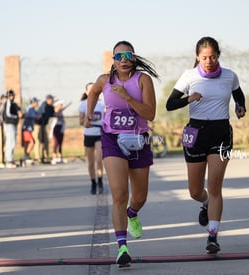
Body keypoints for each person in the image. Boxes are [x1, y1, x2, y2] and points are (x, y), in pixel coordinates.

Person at [166, 36, 246, 254]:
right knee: (194, 191)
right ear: (197, 57)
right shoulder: (189, 76)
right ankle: (204, 204)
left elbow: (239, 96)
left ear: (218, 55)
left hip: (220, 133)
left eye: (212, 57)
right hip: (196, 133)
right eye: (204, 57)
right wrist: (189, 99)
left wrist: (240, 107)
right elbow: (170, 104)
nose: (209, 61)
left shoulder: (229, 76)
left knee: (215, 187)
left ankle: (213, 236)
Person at [85, 40, 159, 267]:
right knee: (118, 193)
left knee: (140, 197)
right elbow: (93, 93)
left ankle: (133, 213)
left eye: (128, 55)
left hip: (139, 140)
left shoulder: (142, 80)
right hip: (112, 139)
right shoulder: (104, 80)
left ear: (134, 58)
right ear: (113, 62)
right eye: (119, 57)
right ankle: (122, 247)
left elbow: (151, 113)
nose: (124, 60)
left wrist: (127, 97)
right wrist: (89, 113)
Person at [79, 82, 105, 195]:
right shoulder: (83, 104)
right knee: (90, 162)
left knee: (99, 160)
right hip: (89, 134)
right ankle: (93, 182)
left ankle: (100, 181)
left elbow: (107, 117)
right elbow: (80, 121)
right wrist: (86, 120)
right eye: (90, 89)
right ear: (86, 92)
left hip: (100, 133)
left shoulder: (102, 104)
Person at [2, 90, 22, 168]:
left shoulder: (13, 104)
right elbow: (7, 114)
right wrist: (16, 116)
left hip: (13, 124)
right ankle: (9, 160)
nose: (12, 97)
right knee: (10, 142)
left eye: (13, 95)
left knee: (12, 142)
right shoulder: (8, 103)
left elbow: (18, 111)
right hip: (9, 124)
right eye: (11, 96)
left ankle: (10, 159)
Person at [36, 94, 55, 163]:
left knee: (46, 141)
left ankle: (46, 156)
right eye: (51, 99)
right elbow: (44, 114)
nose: (52, 100)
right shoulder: (44, 105)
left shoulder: (51, 107)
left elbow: (52, 113)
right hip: (39, 125)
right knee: (39, 140)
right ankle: (37, 157)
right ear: (48, 100)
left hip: (45, 125)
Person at [22, 97, 40, 162]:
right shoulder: (30, 109)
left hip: (28, 128)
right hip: (27, 128)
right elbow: (36, 116)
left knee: (27, 142)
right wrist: (39, 116)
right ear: (33, 102)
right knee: (32, 142)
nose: (37, 103)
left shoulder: (31, 109)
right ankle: (26, 155)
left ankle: (26, 155)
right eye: (36, 102)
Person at [49, 100, 66, 165]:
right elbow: (52, 122)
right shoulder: (54, 112)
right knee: (56, 143)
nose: (61, 106)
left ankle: (59, 157)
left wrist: (63, 126)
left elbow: (63, 120)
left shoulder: (61, 113)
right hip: (55, 128)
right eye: (60, 105)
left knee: (60, 143)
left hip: (61, 127)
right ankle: (54, 157)